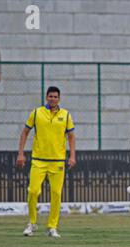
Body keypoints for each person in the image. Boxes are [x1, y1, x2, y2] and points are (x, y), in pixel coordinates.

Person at [16, 86, 76, 238]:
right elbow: (24, 133)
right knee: (33, 191)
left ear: (59, 98)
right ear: (46, 97)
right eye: (50, 96)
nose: (53, 99)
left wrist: (72, 156)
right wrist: (21, 154)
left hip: (57, 161)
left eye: (55, 97)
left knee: (56, 194)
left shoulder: (66, 115)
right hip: (38, 160)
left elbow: (71, 137)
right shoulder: (36, 113)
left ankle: (52, 227)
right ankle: (32, 223)